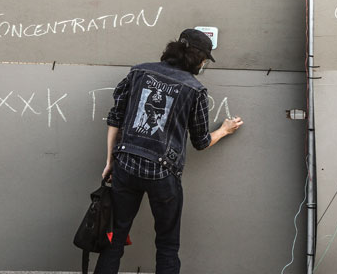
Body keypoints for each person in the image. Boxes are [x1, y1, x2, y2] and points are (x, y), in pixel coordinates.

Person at [94, 28, 244, 274]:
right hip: (163, 174)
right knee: (167, 244)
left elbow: (115, 118)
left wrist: (110, 161)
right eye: (205, 59)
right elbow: (201, 141)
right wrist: (225, 130)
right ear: (197, 58)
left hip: (126, 163)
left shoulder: (139, 71)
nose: (204, 64)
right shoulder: (195, 90)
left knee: (115, 238)